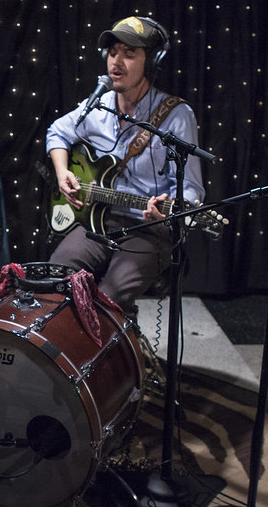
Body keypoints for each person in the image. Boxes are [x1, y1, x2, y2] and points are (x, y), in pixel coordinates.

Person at [46, 16, 205, 315]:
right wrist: (61, 171)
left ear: (153, 62)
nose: (116, 61)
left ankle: (123, 351)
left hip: (150, 229)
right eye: (113, 52)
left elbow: (192, 188)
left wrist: (171, 207)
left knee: (108, 297)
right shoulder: (98, 106)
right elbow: (58, 131)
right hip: (99, 220)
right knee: (57, 278)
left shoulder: (176, 115)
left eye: (129, 54)